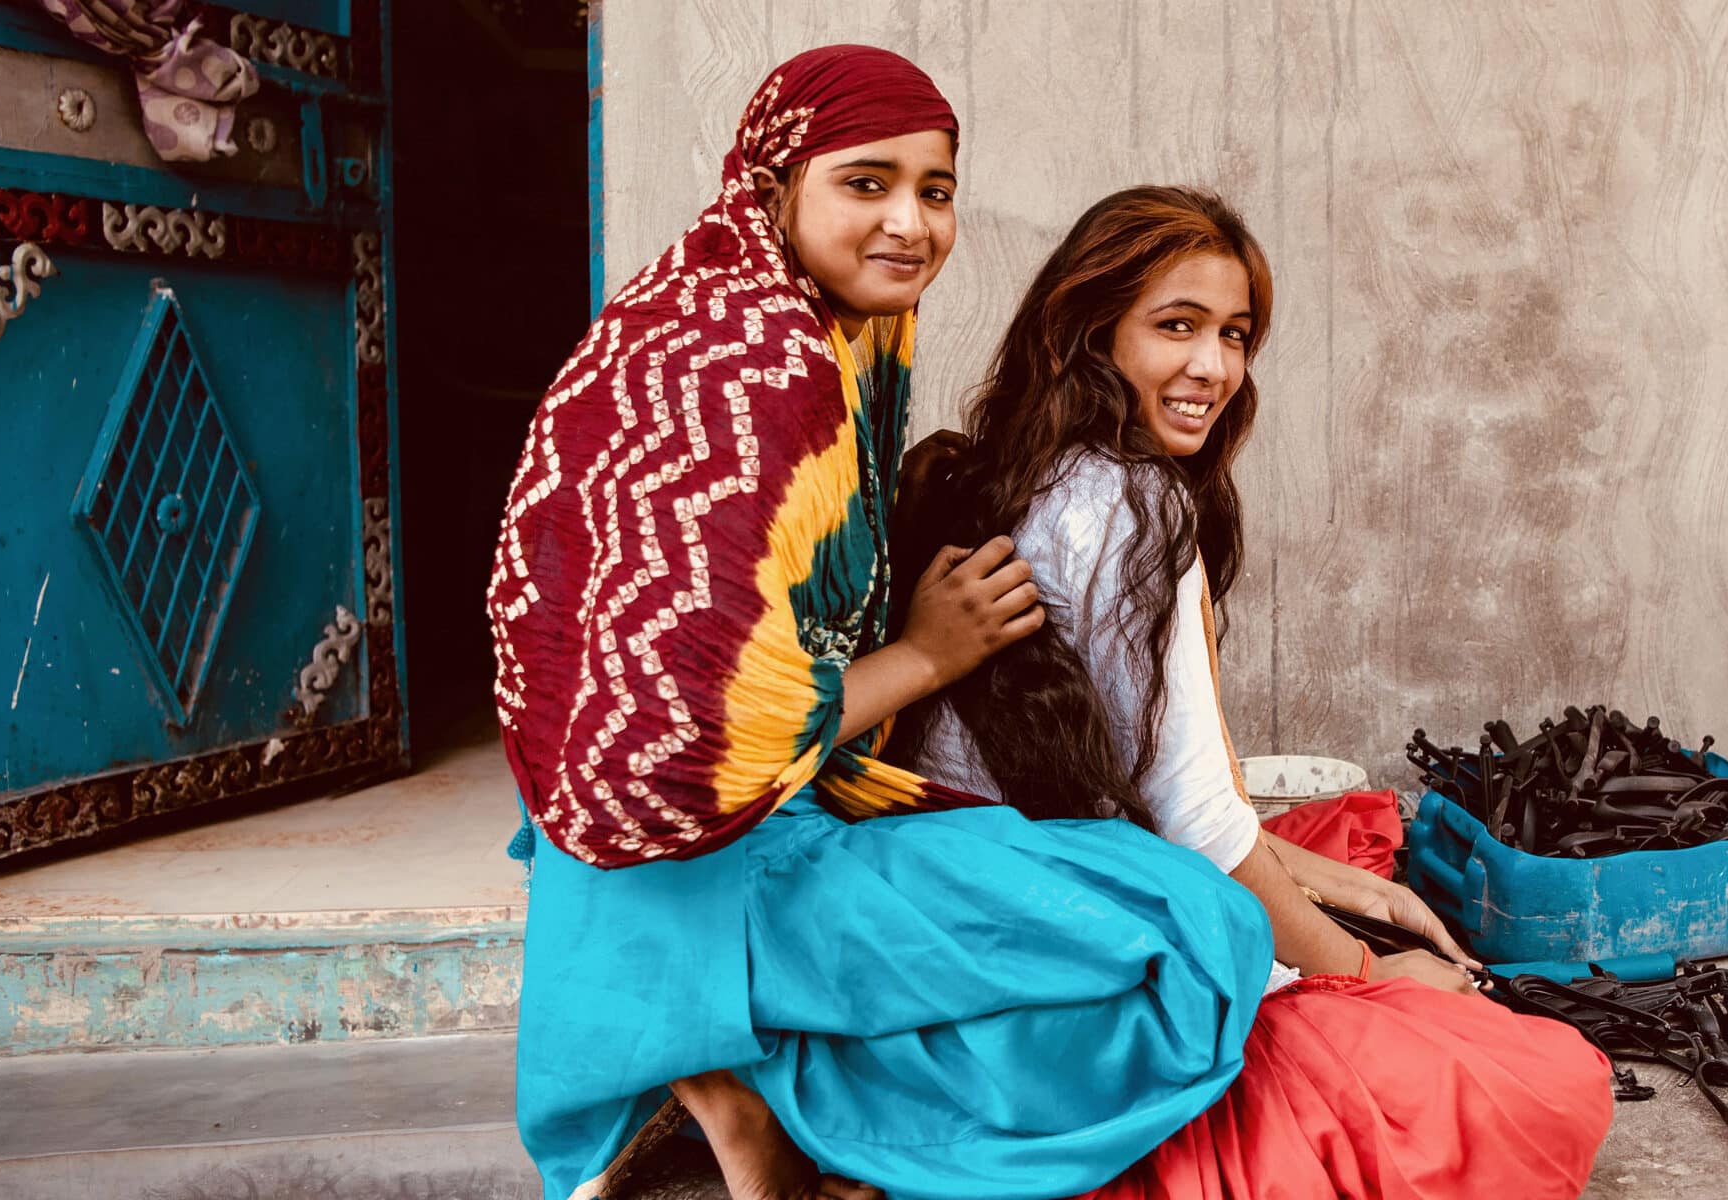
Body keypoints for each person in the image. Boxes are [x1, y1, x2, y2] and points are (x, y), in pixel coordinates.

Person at [489, 49, 1286, 1200]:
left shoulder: (797, 331)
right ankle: (742, 1078)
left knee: (1157, 908)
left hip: (739, 813)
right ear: (772, 192)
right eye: (866, 183)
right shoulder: (755, 377)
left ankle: (730, 1062)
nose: (910, 222)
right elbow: (681, 746)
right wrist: (924, 655)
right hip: (697, 848)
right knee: (1194, 935)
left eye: (936, 188)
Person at [899, 185, 1615, 1198]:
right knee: (1536, 1086)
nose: (1213, 369)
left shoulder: (1006, 474)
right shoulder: (1139, 505)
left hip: (971, 928)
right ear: (1087, 333)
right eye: (1176, 328)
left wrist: (1346, 888)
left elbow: (1114, 783)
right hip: (1067, 953)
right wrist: (1365, 980)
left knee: (1354, 856)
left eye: (1234, 336)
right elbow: (1191, 822)